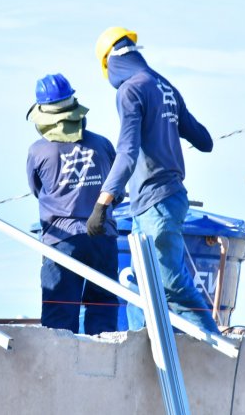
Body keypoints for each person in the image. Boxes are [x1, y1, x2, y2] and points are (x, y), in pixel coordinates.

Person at [86, 27, 221, 335]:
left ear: (109, 64)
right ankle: (139, 347)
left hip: (156, 202)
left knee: (171, 283)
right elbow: (204, 140)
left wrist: (103, 201)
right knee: (137, 282)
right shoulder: (165, 86)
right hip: (160, 200)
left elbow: (127, 150)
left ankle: (216, 349)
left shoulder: (131, 90)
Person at [26, 73, 120, 335]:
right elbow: (117, 192)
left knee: (59, 319)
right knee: (103, 312)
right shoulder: (102, 145)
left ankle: (61, 374)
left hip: (62, 241)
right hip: (103, 238)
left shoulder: (38, 151)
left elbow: (36, 189)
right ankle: (103, 372)